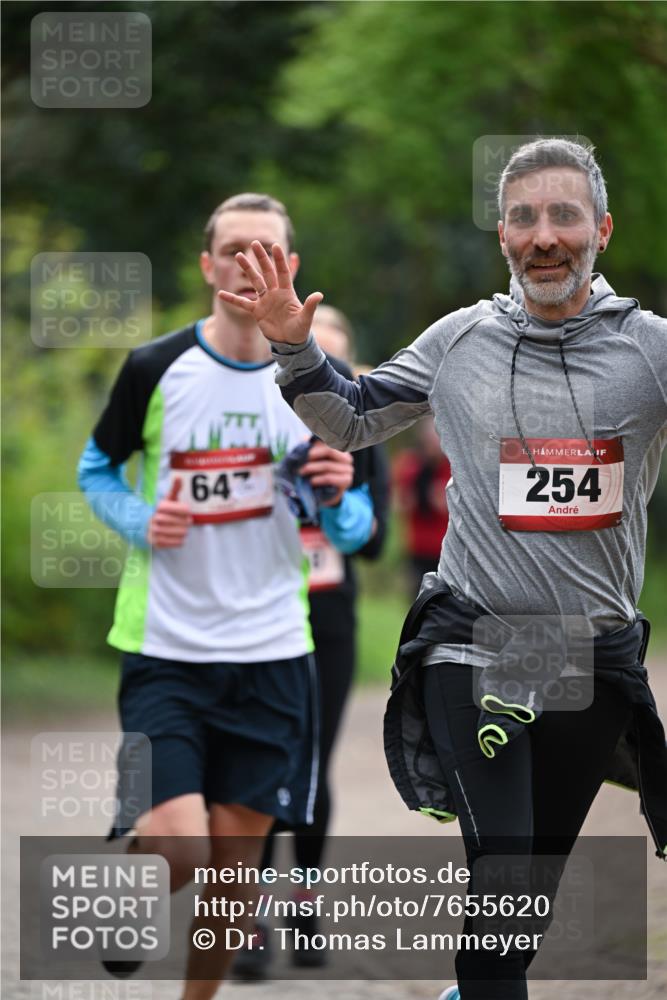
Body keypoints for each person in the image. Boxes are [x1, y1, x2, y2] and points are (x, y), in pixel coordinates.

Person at [217, 139, 667, 1000]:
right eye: (524, 216)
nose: (543, 235)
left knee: (520, 912)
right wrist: (292, 350)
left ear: (600, 230)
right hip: (475, 646)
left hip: (588, 658)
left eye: (563, 215)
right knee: (500, 883)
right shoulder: (459, 340)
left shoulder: (646, 351)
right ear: (501, 233)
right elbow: (348, 420)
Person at [78, 192, 378, 1000]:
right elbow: (95, 469)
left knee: (230, 878)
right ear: (207, 265)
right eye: (231, 249)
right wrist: (140, 519)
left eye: (265, 251)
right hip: (167, 650)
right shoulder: (154, 367)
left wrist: (341, 492)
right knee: (181, 853)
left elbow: (355, 534)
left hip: (276, 655)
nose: (247, 264)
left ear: (289, 268)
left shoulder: (326, 383)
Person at [234, 305, 390, 978]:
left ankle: (302, 904)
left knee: (308, 769)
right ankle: (250, 917)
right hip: (255, 618)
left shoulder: (361, 435)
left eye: (327, 364)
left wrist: (335, 495)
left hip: (326, 621)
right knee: (259, 767)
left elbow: (375, 540)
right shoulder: (254, 427)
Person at [393, 415, 451, 597]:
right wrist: (411, 500)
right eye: (429, 438)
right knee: (417, 602)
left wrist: (444, 500)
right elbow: (397, 502)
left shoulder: (453, 467)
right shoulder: (410, 465)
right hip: (418, 547)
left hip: (446, 551)